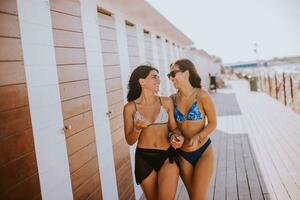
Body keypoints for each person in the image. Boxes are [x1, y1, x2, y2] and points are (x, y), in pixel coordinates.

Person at [123, 65, 184, 200]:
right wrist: (137, 129)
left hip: (167, 156)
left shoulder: (166, 102)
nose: (158, 80)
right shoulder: (130, 108)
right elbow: (130, 140)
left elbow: (174, 128)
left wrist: (176, 136)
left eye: (158, 77)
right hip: (144, 159)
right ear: (142, 81)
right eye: (154, 77)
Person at [168, 59, 217, 200]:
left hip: (204, 152)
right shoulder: (172, 99)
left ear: (186, 74)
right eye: (169, 75)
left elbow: (213, 123)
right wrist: (173, 136)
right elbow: (173, 127)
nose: (171, 78)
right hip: (183, 155)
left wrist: (199, 136)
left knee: (198, 197)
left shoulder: (202, 95)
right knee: (193, 197)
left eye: (173, 73)